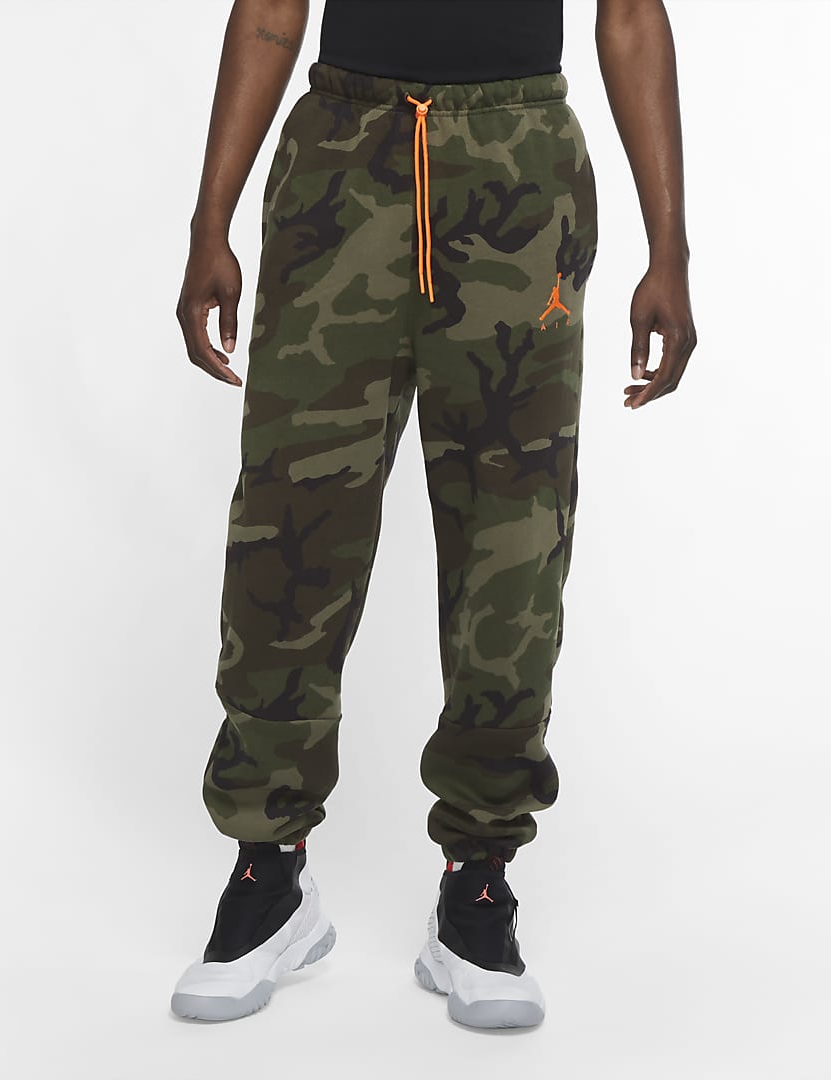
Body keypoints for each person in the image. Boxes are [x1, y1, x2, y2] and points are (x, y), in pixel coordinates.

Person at [171, 0, 697, 1030]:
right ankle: (268, 873)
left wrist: (669, 250)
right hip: (340, 161)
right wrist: (209, 223)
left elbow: (631, 14)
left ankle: (478, 886)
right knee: (292, 522)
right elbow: (272, 8)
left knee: (514, 541)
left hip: (520, 164)